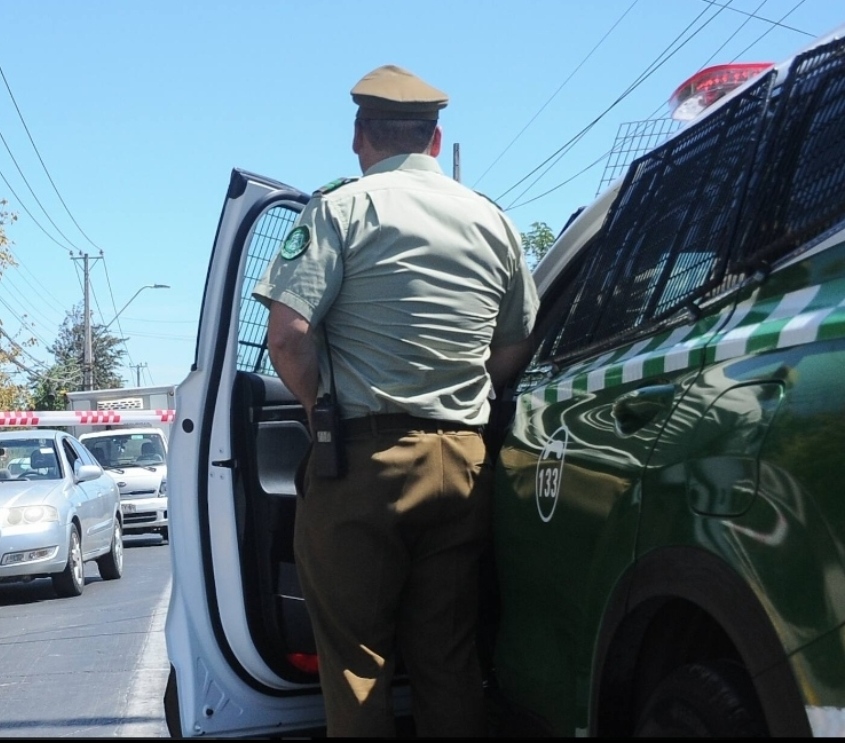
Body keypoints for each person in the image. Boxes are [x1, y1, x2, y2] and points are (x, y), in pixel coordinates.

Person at [252, 63, 539, 738]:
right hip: (464, 461)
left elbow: (288, 338)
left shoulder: (340, 210)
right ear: (435, 141)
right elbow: (517, 341)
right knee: (447, 655)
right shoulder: (493, 220)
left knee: (357, 662)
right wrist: (469, 393)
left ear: (360, 137)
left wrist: (314, 406)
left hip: (363, 463)